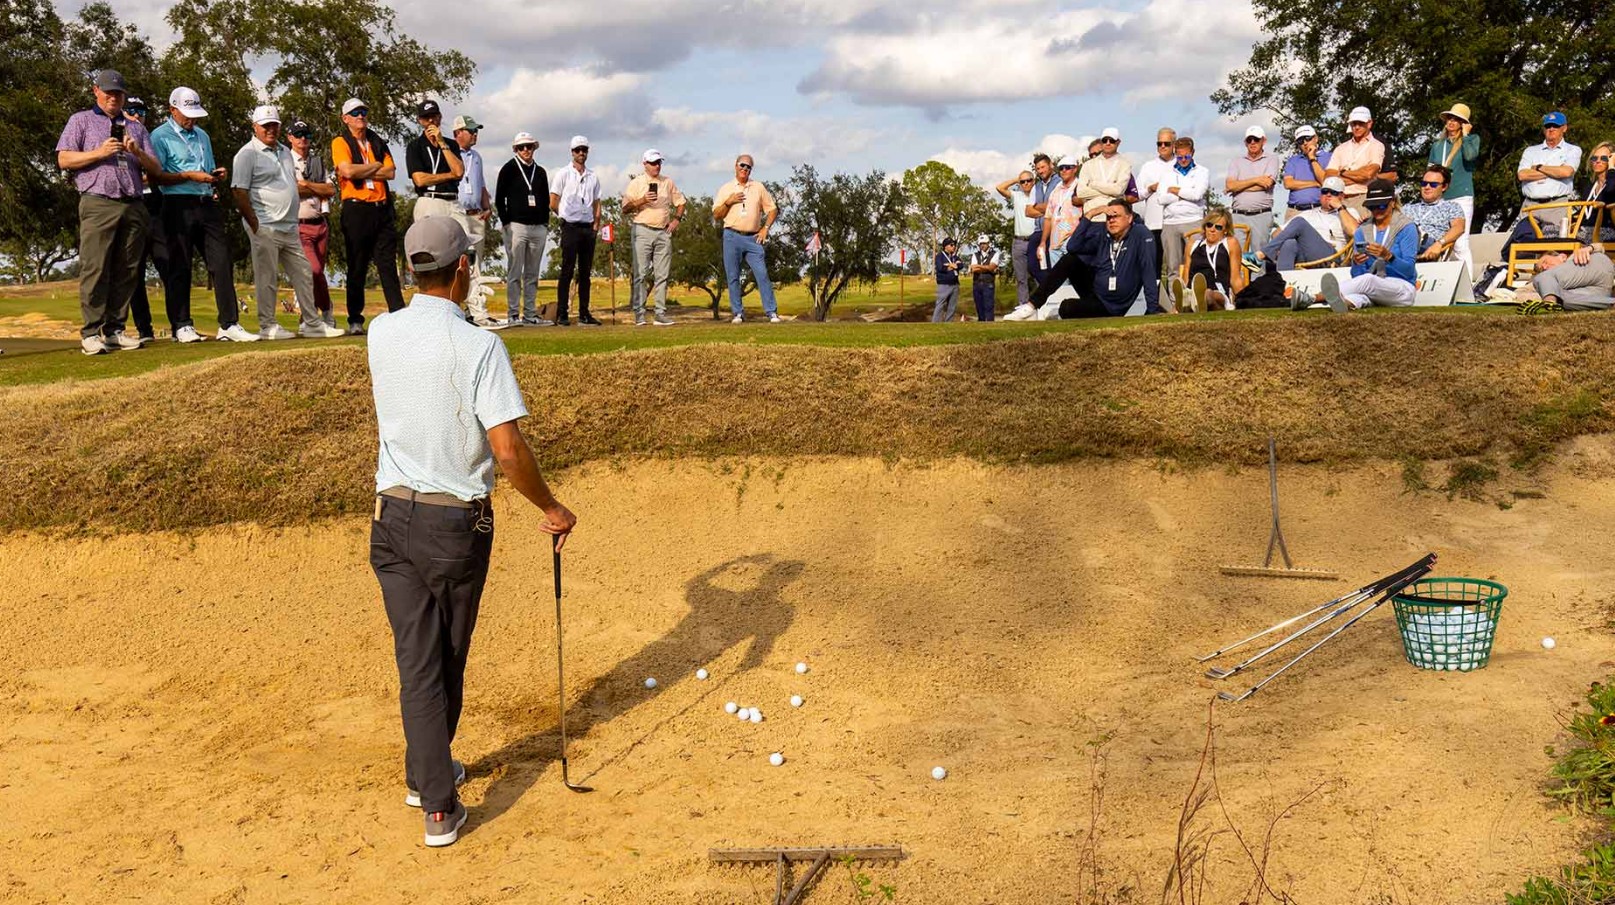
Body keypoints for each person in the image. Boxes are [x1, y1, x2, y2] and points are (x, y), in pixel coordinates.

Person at [367, 215, 577, 849]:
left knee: (416, 658)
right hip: (453, 525)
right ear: (461, 270)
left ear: (411, 270)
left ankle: (423, 771)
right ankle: (438, 807)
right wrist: (553, 507)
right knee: (443, 658)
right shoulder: (480, 345)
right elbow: (508, 450)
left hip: (390, 518)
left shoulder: (380, 332)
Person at [55, 69, 164, 354]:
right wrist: (99, 153)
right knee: (96, 266)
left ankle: (115, 329)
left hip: (133, 203)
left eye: (118, 93)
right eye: (108, 92)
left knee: (127, 270)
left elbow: (156, 169)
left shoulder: (136, 127)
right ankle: (91, 332)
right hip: (98, 201)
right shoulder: (80, 120)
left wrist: (137, 151)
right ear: (96, 91)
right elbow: (64, 159)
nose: (113, 98)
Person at [230, 105, 344, 340]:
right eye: (266, 126)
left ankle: (312, 323)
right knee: (267, 277)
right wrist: (255, 223)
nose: (271, 129)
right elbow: (239, 191)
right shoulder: (246, 154)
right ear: (255, 127)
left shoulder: (283, 151)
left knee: (304, 273)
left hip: (289, 225)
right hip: (264, 225)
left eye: (274, 125)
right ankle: (268, 326)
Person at [153, 86, 251, 342]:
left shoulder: (202, 135)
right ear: (172, 109)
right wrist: (188, 176)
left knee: (221, 262)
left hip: (206, 201)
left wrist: (214, 176)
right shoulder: (159, 136)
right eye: (186, 113)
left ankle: (229, 324)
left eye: (194, 113)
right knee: (180, 265)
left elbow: (205, 166)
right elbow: (157, 176)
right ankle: (182, 324)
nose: (191, 118)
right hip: (176, 203)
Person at [332, 98, 404, 334]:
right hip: (357, 208)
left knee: (387, 265)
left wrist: (366, 168)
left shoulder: (377, 140)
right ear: (345, 118)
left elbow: (391, 172)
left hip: (382, 208)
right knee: (357, 265)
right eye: (355, 113)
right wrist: (374, 166)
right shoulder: (340, 142)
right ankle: (355, 320)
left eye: (363, 111)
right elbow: (348, 171)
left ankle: (399, 315)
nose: (360, 116)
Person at [1310, 179, 1417, 312]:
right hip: (1374, 291)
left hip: (1402, 289)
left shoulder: (1406, 227)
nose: (1377, 210)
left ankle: (1313, 298)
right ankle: (1344, 304)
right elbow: (1357, 276)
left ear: (1393, 202)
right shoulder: (1362, 230)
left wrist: (1388, 256)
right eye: (1372, 206)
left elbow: (1409, 271)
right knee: (1359, 296)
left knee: (1368, 281)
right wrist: (1357, 263)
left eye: (1382, 206)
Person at [1055, 198, 1162, 317]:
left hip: (1113, 306)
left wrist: (1153, 310)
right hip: (1097, 296)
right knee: (1070, 260)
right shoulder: (1104, 235)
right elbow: (1072, 247)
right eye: (1109, 217)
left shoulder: (1140, 233)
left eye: (1116, 216)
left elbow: (1148, 271)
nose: (1112, 220)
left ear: (1129, 218)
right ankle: (1033, 304)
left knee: (1068, 307)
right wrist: (1090, 214)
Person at [448, 114, 503, 329]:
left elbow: (480, 185)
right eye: (471, 131)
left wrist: (487, 206)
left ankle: (475, 312)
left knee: (476, 266)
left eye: (476, 131)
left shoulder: (477, 156)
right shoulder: (450, 153)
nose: (475, 135)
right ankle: (460, 310)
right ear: (458, 133)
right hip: (457, 214)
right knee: (460, 266)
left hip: (476, 215)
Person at [712, 154, 780, 323]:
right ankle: (738, 313)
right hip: (731, 236)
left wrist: (765, 228)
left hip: (753, 238)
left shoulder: (758, 187)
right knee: (733, 276)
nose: (744, 169)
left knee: (762, 274)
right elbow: (716, 215)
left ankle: (771, 312)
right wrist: (728, 202)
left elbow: (772, 209)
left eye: (748, 167)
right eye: (742, 165)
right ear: (735, 166)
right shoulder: (726, 188)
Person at [623, 148, 686, 327]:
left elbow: (681, 203)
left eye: (658, 162)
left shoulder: (667, 182)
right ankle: (640, 314)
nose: (656, 165)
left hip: (663, 232)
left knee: (662, 275)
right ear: (645, 164)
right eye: (652, 162)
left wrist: (676, 220)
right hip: (642, 230)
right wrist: (642, 200)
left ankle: (660, 313)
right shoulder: (636, 183)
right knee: (641, 274)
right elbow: (625, 208)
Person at [494, 132, 551, 326]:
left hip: (538, 228)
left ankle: (530, 314)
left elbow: (545, 198)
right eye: (521, 147)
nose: (525, 150)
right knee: (515, 272)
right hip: (516, 226)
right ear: (515, 150)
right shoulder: (508, 169)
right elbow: (499, 198)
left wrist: (545, 224)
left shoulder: (540, 171)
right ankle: (512, 314)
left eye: (529, 146)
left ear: (534, 148)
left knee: (532, 274)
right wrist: (506, 222)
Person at [548, 135, 602, 326]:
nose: (581, 153)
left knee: (585, 272)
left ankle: (584, 313)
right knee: (567, 270)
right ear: (572, 152)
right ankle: (563, 313)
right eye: (578, 150)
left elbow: (597, 203)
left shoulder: (593, 176)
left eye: (584, 150)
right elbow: (553, 201)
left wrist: (596, 225)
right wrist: (563, 218)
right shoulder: (563, 174)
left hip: (587, 228)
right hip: (570, 226)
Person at [288, 119, 337, 329]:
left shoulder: (317, 162)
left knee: (318, 275)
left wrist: (307, 184)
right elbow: (291, 190)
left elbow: (331, 190)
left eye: (306, 135)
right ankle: (320, 313)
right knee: (313, 271)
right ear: (289, 137)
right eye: (298, 135)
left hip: (320, 224)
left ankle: (317, 316)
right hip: (298, 224)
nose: (302, 139)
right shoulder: (285, 161)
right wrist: (317, 188)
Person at [124, 95, 164, 345]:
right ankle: (144, 328)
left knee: (168, 264)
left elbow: (159, 171)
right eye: (132, 111)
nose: (137, 116)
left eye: (142, 112)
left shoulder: (151, 141)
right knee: (134, 271)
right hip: (134, 204)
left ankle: (181, 324)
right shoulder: (119, 138)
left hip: (157, 206)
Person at [1260, 176, 1357, 270]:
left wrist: (1339, 207)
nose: (1328, 195)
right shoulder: (1308, 214)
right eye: (1325, 191)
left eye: (1334, 193)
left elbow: (1354, 232)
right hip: (1307, 256)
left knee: (1300, 222)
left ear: (1342, 196)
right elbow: (1276, 234)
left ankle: (1262, 254)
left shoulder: (1348, 212)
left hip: (1333, 257)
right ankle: (1283, 282)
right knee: (1289, 243)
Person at [1427, 103, 1479, 270]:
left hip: (1461, 196)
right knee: (1440, 239)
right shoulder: (1438, 145)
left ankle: (1468, 286)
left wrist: (1466, 135)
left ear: (1463, 123)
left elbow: (1470, 157)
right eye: (1450, 118)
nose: (1451, 122)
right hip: (1441, 197)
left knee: (1460, 243)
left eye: (1457, 119)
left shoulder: (1472, 140)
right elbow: (1430, 171)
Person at [1158, 137, 1210, 298]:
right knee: (1173, 266)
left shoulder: (1202, 171)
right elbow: (1161, 198)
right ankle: (1176, 301)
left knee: (1195, 262)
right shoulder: (1167, 173)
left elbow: (1197, 194)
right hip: (1170, 222)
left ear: (1192, 153)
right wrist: (1183, 193)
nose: (1182, 160)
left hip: (1193, 220)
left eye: (1186, 157)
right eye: (1179, 157)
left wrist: (1175, 191)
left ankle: (1197, 298)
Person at [1172, 210, 1246, 313]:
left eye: (1218, 227)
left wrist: (1244, 302)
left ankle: (1197, 303)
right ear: (1205, 227)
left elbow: (1235, 278)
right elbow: (1186, 277)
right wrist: (1176, 305)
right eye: (1209, 225)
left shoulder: (1230, 243)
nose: (1212, 230)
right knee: (1190, 294)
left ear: (1225, 230)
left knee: (1208, 294)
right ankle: (1189, 303)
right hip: (1192, 291)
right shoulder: (1192, 245)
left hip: (1219, 291)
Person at [405, 99, 464, 223]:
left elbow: (459, 172)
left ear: (440, 117)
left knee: (464, 240)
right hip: (429, 201)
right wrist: (450, 175)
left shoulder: (452, 144)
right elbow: (420, 180)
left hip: (453, 201)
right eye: (426, 117)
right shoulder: (415, 146)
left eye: (434, 116)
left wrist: (441, 142)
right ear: (420, 120)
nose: (431, 121)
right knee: (432, 241)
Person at [1226, 126, 1282, 243]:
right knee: (1237, 256)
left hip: (1261, 215)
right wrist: (1257, 180)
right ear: (1245, 142)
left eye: (1256, 139)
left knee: (1259, 256)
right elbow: (1230, 185)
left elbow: (1267, 183)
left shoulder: (1271, 159)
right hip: (1238, 215)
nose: (1252, 142)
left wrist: (1239, 186)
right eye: (1249, 140)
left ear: (1263, 141)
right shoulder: (1236, 161)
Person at [1517, 111, 1582, 213]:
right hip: (1530, 205)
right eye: (1548, 126)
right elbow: (1522, 175)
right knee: (1523, 229)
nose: (1551, 129)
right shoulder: (1530, 151)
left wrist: (1538, 167)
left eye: (1555, 126)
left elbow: (1566, 172)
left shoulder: (1573, 150)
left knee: (1554, 230)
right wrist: (1556, 171)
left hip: (1557, 205)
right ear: (1544, 129)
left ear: (1564, 128)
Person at [1327, 107, 1385, 218]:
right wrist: (1359, 176)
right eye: (1354, 124)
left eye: (1360, 123)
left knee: (1362, 233)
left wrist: (1342, 173)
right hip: (1340, 199)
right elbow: (1329, 178)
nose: (1356, 127)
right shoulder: (1341, 148)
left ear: (1369, 123)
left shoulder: (1376, 145)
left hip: (1362, 198)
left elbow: (1368, 174)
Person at [993, 168, 1038, 309]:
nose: (1025, 183)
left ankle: (1041, 305)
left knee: (1039, 275)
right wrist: (1015, 180)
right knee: (1021, 278)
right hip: (1019, 241)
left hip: (1035, 240)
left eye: (1028, 180)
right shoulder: (1016, 195)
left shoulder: (1039, 195)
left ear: (1033, 181)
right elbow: (999, 187)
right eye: (1022, 181)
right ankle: (1024, 306)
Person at [1402, 165, 1466, 260]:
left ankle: (1419, 237)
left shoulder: (1451, 207)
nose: (1427, 187)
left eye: (1433, 185)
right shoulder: (1408, 208)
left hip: (1429, 246)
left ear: (1444, 187)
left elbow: (1459, 228)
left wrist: (1439, 243)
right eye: (1424, 183)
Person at [1528, 245, 1615, 312]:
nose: (1543, 267)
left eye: (1545, 261)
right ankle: (1611, 304)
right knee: (1562, 300)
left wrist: (1589, 248)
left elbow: (1600, 246)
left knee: (1543, 277)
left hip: (1596, 265)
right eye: (1541, 269)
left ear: (1562, 257)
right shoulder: (1555, 286)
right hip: (1601, 291)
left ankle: (1548, 306)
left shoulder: (1573, 258)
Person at [1136, 127, 1178, 255]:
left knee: (1175, 264)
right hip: (1153, 223)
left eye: (1167, 143)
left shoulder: (1181, 165)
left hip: (1175, 221)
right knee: (1154, 263)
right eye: (1159, 143)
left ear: (1174, 145)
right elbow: (1136, 195)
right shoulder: (1148, 167)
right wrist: (1150, 189)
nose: (1163, 146)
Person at [1078, 128, 1131, 219]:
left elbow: (1118, 190)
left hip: (1113, 219)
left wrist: (1093, 184)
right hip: (1092, 219)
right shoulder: (1088, 165)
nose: (1108, 143)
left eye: (1112, 140)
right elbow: (1080, 192)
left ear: (1118, 142)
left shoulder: (1125, 164)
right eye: (1104, 140)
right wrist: (1109, 193)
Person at [1282, 126, 1331, 222]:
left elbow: (1325, 182)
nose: (1305, 143)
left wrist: (1312, 158)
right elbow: (1288, 184)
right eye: (1300, 141)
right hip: (1294, 211)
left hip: (1318, 210)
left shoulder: (1328, 157)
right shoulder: (1293, 160)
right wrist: (1315, 183)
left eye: (1308, 138)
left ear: (1316, 138)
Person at [1025, 153, 1058, 286]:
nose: (1040, 171)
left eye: (1043, 167)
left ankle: (1053, 294)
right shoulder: (1036, 187)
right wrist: (1048, 210)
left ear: (1051, 165)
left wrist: (1038, 207)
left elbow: (1058, 206)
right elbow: (1028, 211)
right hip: (1039, 230)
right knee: (1032, 266)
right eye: (1038, 169)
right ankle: (1048, 290)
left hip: (1055, 230)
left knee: (1052, 266)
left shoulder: (1059, 182)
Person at [1577, 142, 1615, 243]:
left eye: (1604, 158)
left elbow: (1610, 190)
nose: (1598, 161)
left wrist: (1612, 167)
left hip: (1607, 230)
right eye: (1594, 158)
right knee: (1549, 231)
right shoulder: (1589, 186)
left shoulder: (1612, 182)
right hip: (1585, 230)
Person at [968, 234, 1001, 321]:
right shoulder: (975, 255)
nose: (982, 245)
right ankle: (981, 324)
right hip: (977, 283)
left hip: (988, 283)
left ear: (988, 243)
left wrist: (979, 266)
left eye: (984, 243)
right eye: (981, 244)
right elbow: (974, 269)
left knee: (989, 306)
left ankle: (990, 324)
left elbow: (992, 267)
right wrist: (987, 268)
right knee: (979, 306)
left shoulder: (995, 254)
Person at [931, 237, 962, 322]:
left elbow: (960, 265)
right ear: (945, 246)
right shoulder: (940, 256)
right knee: (940, 304)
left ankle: (949, 322)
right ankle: (935, 322)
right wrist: (951, 266)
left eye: (954, 245)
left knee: (952, 306)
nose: (954, 247)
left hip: (955, 284)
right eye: (951, 245)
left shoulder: (954, 257)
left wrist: (951, 265)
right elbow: (941, 268)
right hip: (944, 284)